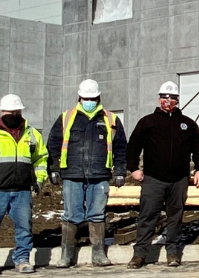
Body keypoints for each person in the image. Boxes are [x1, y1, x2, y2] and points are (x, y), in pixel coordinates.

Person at [46, 79, 127, 268]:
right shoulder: (66, 118)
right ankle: (67, 254)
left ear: (98, 97)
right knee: (72, 214)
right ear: (79, 98)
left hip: (99, 174)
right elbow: (53, 144)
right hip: (72, 174)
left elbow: (121, 147)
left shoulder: (111, 119)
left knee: (97, 214)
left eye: (92, 98)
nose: (89, 101)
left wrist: (120, 171)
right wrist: (55, 168)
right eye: (85, 98)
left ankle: (98, 254)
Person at [125, 81, 199, 268]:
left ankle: (173, 252)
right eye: (164, 97)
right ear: (159, 99)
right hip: (153, 179)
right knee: (147, 217)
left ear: (177, 100)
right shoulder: (147, 122)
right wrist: (134, 168)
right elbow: (133, 146)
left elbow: (198, 148)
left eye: (172, 98)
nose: (167, 101)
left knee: (175, 217)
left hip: (179, 180)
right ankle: (140, 255)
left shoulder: (187, 124)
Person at [0, 94, 48, 276]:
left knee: (24, 228)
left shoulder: (32, 134)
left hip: (22, 190)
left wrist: (39, 179)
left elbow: (41, 158)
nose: (12, 114)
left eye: (15, 111)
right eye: (9, 111)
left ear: (21, 111)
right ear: (1, 112)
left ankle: (22, 260)